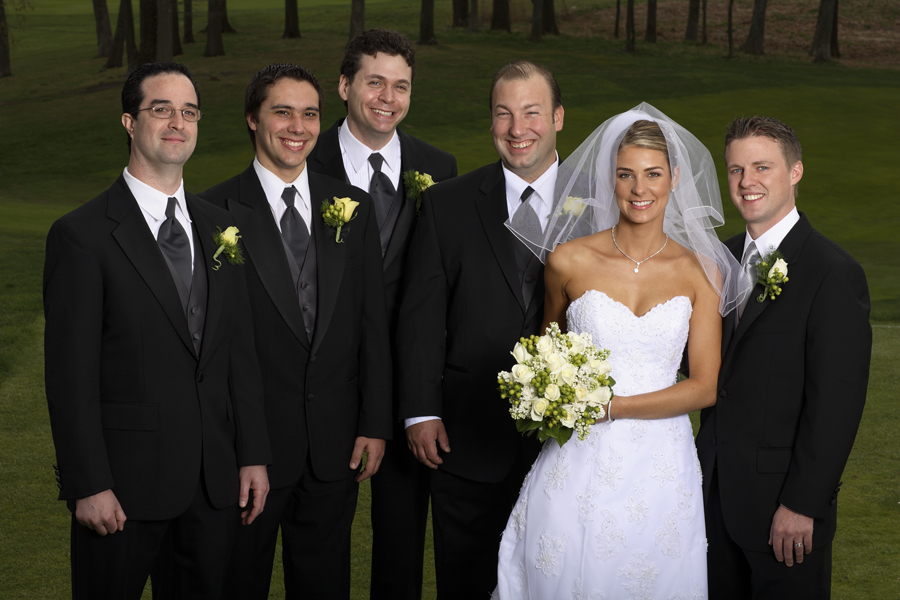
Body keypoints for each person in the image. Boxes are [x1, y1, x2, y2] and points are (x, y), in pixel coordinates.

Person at [493, 103, 750, 599]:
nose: (639, 189)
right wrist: (552, 395)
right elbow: (543, 356)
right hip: (577, 458)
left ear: (674, 178)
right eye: (626, 174)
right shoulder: (569, 260)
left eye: (653, 174)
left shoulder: (702, 272)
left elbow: (705, 386)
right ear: (608, 179)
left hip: (661, 463)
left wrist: (612, 407)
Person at [43, 62, 271, 599]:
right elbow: (69, 377)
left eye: (189, 112)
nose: (178, 122)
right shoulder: (82, 236)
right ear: (129, 121)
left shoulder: (220, 227)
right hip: (122, 489)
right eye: (161, 109)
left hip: (213, 485)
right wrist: (88, 483)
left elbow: (239, 354)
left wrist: (253, 454)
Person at [199, 63, 392, 600]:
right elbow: (214, 350)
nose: (297, 126)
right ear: (251, 119)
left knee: (325, 583)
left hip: (336, 446)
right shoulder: (212, 212)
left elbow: (370, 322)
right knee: (240, 583)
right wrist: (243, 449)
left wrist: (374, 421)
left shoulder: (351, 207)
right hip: (250, 449)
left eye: (309, 113)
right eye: (281, 111)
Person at [395, 60, 563, 598]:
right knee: (465, 580)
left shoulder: (604, 205)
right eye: (503, 114)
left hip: (568, 448)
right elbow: (421, 317)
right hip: (466, 438)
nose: (518, 129)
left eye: (532, 112)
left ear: (558, 117)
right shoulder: (447, 204)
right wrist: (422, 409)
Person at [305, 29, 457, 600]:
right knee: (321, 535)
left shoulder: (438, 167)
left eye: (401, 86)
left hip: (412, 386)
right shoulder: (305, 160)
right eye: (374, 82)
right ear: (345, 86)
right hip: (329, 387)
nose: (387, 97)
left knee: (402, 538)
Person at [696, 116, 871, 599]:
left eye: (761, 167)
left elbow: (836, 402)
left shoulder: (832, 273)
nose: (746, 182)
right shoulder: (719, 259)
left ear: (795, 172)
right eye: (735, 170)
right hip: (709, 498)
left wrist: (803, 503)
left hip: (783, 511)